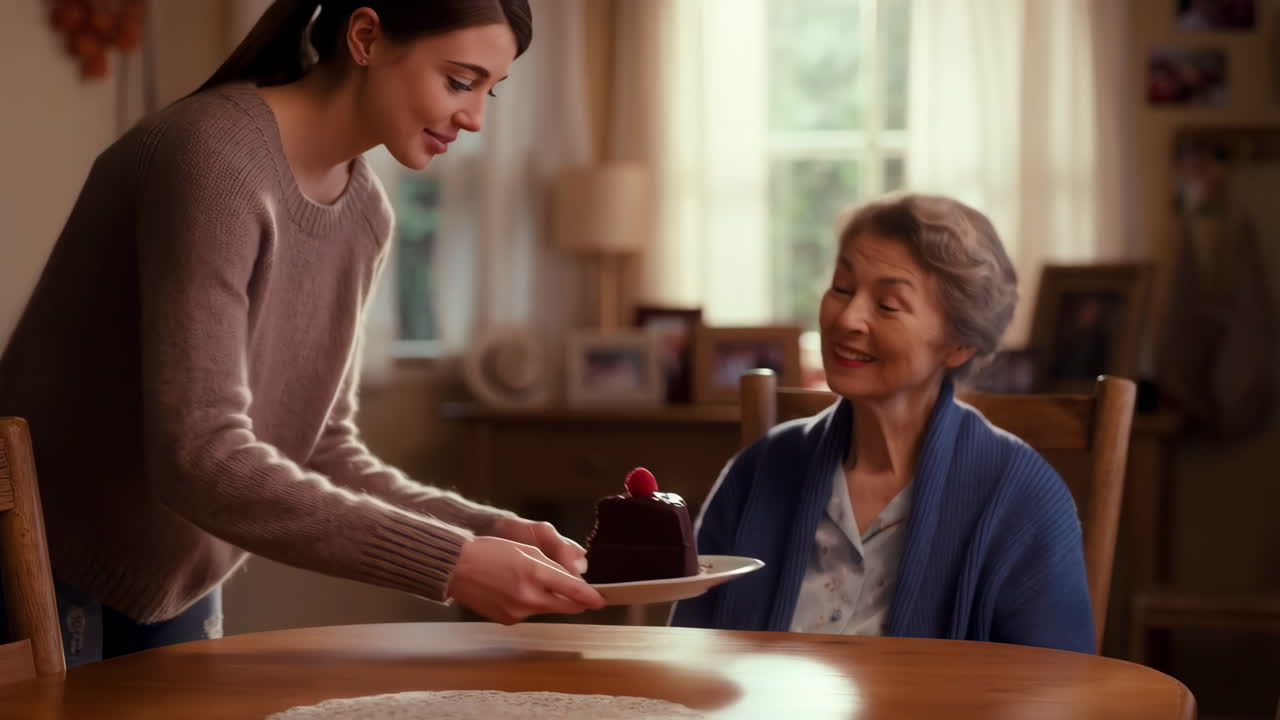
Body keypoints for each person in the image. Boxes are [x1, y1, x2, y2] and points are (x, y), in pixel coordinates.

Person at [0, 0, 604, 666]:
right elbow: (200, 460)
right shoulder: (211, 158)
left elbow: (317, 447)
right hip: (37, 552)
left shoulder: (364, 211)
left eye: (490, 90)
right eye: (460, 81)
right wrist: (454, 564)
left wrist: (487, 531)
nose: (476, 118)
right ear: (367, 36)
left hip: (175, 575)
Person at [671, 194, 1094, 653]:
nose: (848, 318)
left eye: (888, 305)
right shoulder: (758, 471)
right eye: (841, 287)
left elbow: (1057, 687)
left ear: (958, 345)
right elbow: (689, 655)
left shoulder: (1023, 498)